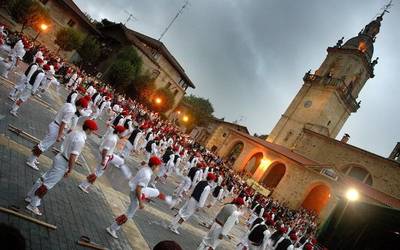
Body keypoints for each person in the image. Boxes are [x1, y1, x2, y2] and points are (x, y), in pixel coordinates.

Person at [25, 120, 98, 216]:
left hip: (60, 157)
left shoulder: (75, 132)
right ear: (88, 129)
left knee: (44, 178)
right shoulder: (80, 140)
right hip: (63, 162)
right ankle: (33, 205)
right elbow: (73, 156)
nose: (93, 132)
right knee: (47, 184)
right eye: (93, 130)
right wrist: (70, 169)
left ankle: (30, 196)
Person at [106, 156, 162, 239]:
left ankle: (113, 227)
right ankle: (112, 228)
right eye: (158, 166)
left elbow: (140, 187)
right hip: (135, 192)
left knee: (155, 192)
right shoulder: (147, 175)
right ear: (153, 166)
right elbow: (138, 189)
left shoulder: (145, 168)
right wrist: (140, 202)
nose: (158, 168)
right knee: (129, 214)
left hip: (134, 189)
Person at [25, 97, 88, 170]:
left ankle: (33, 158)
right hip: (56, 128)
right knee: (43, 146)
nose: (81, 109)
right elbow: (63, 123)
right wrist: (59, 135)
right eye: (82, 108)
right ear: (80, 105)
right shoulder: (72, 111)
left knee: (44, 144)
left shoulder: (68, 104)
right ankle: (31, 160)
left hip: (54, 124)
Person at [78, 125, 126, 193]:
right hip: (105, 157)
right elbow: (105, 150)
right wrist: (103, 160)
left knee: (97, 172)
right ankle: (84, 185)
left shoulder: (112, 136)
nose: (123, 135)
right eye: (122, 133)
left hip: (107, 156)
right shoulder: (113, 139)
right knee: (97, 173)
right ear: (118, 132)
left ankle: (84, 184)